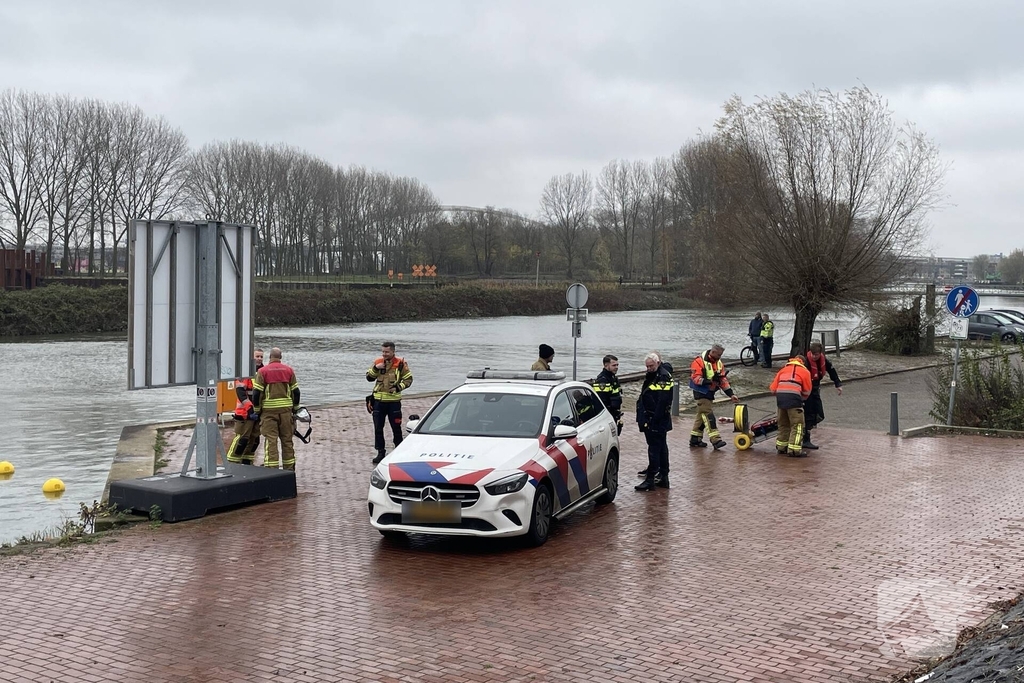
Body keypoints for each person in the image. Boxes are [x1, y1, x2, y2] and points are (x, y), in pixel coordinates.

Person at [252, 347, 300, 470]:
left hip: (268, 413)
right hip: (286, 412)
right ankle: (289, 470)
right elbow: (296, 392)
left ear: (270, 357)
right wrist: (295, 408)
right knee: (287, 441)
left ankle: (272, 470)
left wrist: (257, 410)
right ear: (281, 357)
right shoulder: (289, 371)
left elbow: (257, 393)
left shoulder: (263, 371)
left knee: (271, 441)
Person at [367, 341, 414, 465]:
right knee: (378, 428)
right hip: (378, 402)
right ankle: (380, 452)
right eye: (383, 351)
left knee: (396, 428)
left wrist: (398, 388)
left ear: (393, 352)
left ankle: (399, 451)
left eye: (387, 352)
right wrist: (376, 368)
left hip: (393, 402)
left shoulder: (400, 364)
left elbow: (408, 379)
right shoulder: (378, 362)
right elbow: (369, 378)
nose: (384, 354)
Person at [688, 344, 741, 450]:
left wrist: (731, 394)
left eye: (721, 355)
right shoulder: (698, 362)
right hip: (701, 393)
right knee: (708, 416)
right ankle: (716, 440)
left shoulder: (719, 363)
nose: (720, 357)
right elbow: (696, 378)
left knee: (701, 417)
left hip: (710, 393)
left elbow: (723, 381)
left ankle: (695, 439)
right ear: (713, 352)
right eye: (719, 355)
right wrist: (710, 381)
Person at [634, 352, 675, 492]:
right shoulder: (655, 375)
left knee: (655, 449)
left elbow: (663, 401)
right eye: (647, 366)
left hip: (656, 420)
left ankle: (651, 479)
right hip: (655, 418)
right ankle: (663, 477)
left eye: (651, 366)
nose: (649, 368)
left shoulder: (662, 376)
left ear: (658, 363)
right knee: (661, 447)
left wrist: (654, 420)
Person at [226, 348, 265, 465]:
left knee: (255, 440)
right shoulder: (244, 372)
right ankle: (231, 462)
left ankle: (247, 461)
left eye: (261, 357)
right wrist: (250, 408)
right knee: (242, 439)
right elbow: (240, 392)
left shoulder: (263, 371)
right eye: (257, 356)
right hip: (244, 412)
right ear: (251, 357)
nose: (259, 359)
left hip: (257, 412)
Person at [802, 341, 843, 450]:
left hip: (815, 388)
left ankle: (807, 429)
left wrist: (837, 384)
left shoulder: (824, 361)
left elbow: (832, 371)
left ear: (820, 353)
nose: (814, 357)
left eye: (817, 354)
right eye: (813, 354)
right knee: (809, 414)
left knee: (819, 414)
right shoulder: (806, 362)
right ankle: (805, 438)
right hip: (806, 390)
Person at [769, 355, 812, 457]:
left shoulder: (783, 370)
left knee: (783, 424)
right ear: (803, 363)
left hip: (780, 398)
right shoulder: (805, 372)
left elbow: (772, 389)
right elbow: (807, 391)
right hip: (794, 399)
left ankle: (781, 447)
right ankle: (794, 450)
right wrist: (801, 399)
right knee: (797, 425)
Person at [591, 354, 623, 435]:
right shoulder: (603, 380)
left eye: (617, 365)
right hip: (607, 416)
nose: (616, 367)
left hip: (614, 414)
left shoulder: (613, 378)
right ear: (606, 365)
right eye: (614, 365)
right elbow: (601, 402)